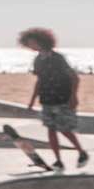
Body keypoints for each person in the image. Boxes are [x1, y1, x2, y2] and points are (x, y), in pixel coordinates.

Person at [18, 27, 87, 169]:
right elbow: (39, 80)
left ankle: (81, 152)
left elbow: (74, 77)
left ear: (42, 41)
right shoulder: (38, 60)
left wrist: (74, 96)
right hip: (46, 99)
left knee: (64, 129)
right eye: (29, 43)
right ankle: (58, 161)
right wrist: (32, 101)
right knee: (50, 130)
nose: (31, 46)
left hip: (62, 98)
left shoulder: (58, 58)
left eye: (33, 42)